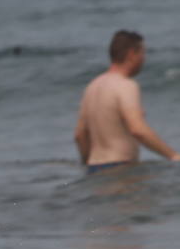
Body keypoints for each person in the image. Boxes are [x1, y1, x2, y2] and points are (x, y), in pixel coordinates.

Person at [74, 31, 180, 172]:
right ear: (131, 54)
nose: (143, 59)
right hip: (121, 168)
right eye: (142, 53)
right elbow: (137, 129)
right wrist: (173, 155)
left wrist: (87, 163)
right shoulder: (125, 85)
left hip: (94, 169)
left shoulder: (92, 86)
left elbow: (80, 135)